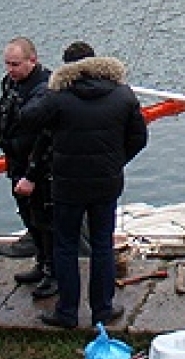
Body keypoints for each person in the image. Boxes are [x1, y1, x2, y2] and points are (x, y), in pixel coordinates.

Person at [18, 46, 147, 329]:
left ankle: (67, 312)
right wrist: (115, 162)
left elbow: (27, 118)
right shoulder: (123, 94)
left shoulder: (58, 97)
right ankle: (102, 310)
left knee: (65, 246)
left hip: (67, 185)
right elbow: (139, 138)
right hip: (106, 183)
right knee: (102, 245)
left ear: (66, 68)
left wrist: (50, 86)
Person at [0, 37, 56, 297]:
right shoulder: (10, 83)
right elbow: (0, 113)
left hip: (40, 166)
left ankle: (53, 272)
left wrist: (32, 175)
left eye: (15, 64)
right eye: (7, 64)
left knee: (45, 219)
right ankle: (41, 262)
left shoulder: (45, 88)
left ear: (32, 60)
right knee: (27, 215)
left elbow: (46, 136)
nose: (10, 69)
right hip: (15, 159)